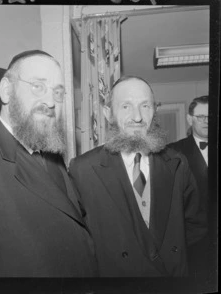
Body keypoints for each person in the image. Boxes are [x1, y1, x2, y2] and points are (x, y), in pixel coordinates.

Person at [0, 50, 98, 277]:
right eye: (38, 86)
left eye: (58, 92)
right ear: (6, 90)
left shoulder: (52, 157)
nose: (50, 102)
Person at [69, 76, 207, 277]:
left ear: (155, 111)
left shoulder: (177, 163)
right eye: (126, 106)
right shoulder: (83, 169)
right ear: (109, 114)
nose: (137, 117)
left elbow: (195, 225)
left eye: (145, 106)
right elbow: (78, 241)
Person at [168, 96, 216, 289]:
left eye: (210, 116)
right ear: (190, 119)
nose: (206, 121)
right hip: (194, 240)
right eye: (201, 116)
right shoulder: (173, 152)